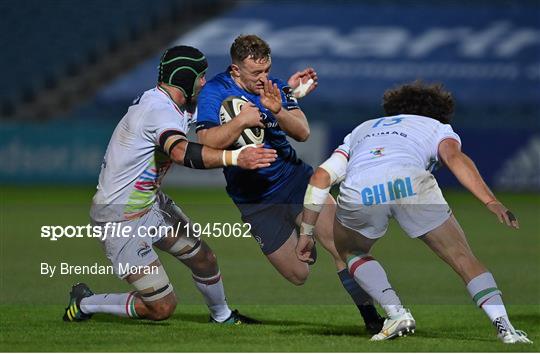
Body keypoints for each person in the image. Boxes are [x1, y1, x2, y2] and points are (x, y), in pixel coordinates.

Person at [296, 81, 533, 343]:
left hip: (362, 187)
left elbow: (320, 177)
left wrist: (307, 231)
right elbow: (455, 159)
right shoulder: (437, 127)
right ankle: (506, 329)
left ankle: (395, 313)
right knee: (463, 258)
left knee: (351, 251)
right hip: (411, 181)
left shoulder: (362, 129)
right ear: (438, 111)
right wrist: (490, 201)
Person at [63, 45, 277, 324]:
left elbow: (228, 100)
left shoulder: (179, 104)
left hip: (150, 207)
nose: (203, 82)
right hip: (118, 219)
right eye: (200, 76)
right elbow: (180, 152)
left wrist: (289, 94)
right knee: (162, 308)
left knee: (205, 258)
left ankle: (223, 317)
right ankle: (85, 303)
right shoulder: (157, 110)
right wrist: (237, 156)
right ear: (186, 77)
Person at [196, 34, 384, 333]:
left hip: (296, 181)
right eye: (255, 73)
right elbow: (205, 141)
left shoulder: (275, 88)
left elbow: (303, 132)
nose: (263, 78)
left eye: (267, 70)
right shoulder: (214, 92)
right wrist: (242, 121)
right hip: (255, 200)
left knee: (342, 245)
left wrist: (279, 108)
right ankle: (306, 235)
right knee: (298, 274)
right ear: (235, 70)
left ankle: (373, 320)